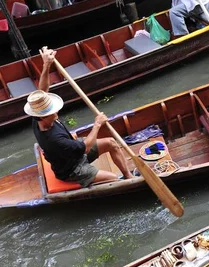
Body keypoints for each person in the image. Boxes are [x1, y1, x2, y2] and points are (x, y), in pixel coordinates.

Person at [24, 47, 134, 187]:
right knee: (113, 178)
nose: (56, 111)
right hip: (72, 169)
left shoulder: (37, 118)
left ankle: (128, 175)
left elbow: (42, 91)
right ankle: (118, 181)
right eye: (52, 111)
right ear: (44, 117)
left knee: (111, 142)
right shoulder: (54, 140)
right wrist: (97, 124)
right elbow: (86, 148)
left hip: (74, 152)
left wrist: (46, 65)